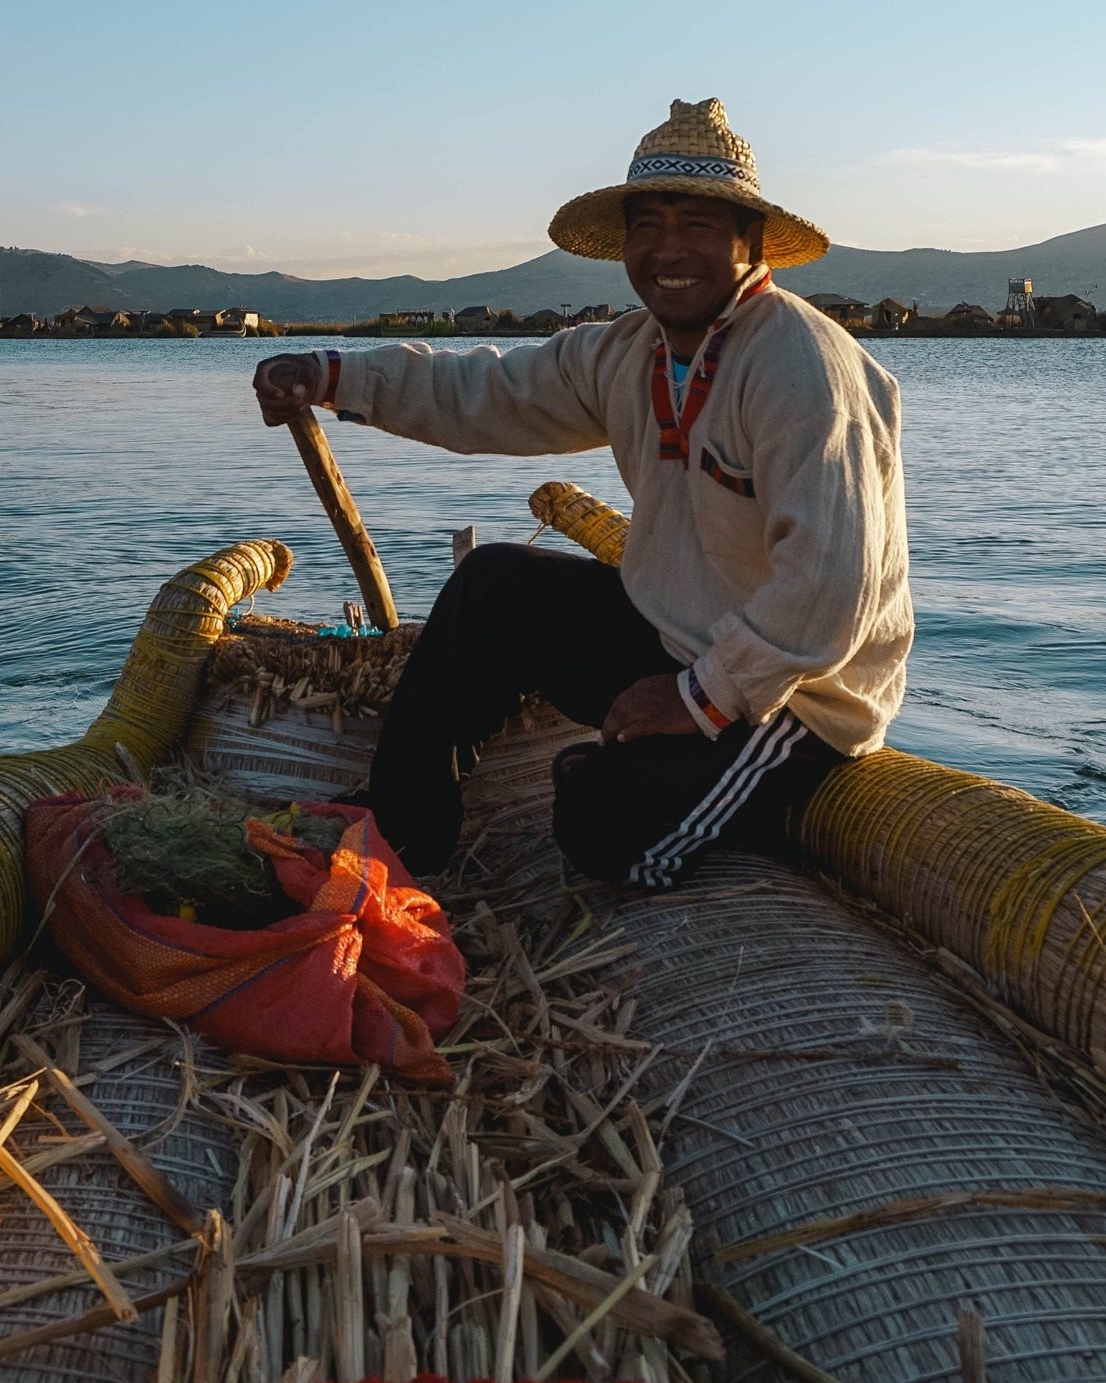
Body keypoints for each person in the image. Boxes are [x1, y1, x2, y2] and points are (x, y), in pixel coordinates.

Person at [254, 97, 912, 891]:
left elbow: (831, 586)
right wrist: (333, 376)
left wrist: (698, 698)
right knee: (494, 583)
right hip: (676, 638)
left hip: (797, 697)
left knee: (602, 828)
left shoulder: (802, 368)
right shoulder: (634, 352)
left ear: (749, 243)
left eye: (698, 225)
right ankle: (404, 834)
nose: (669, 251)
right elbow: (490, 389)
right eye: (648, 226)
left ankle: (640, 790)